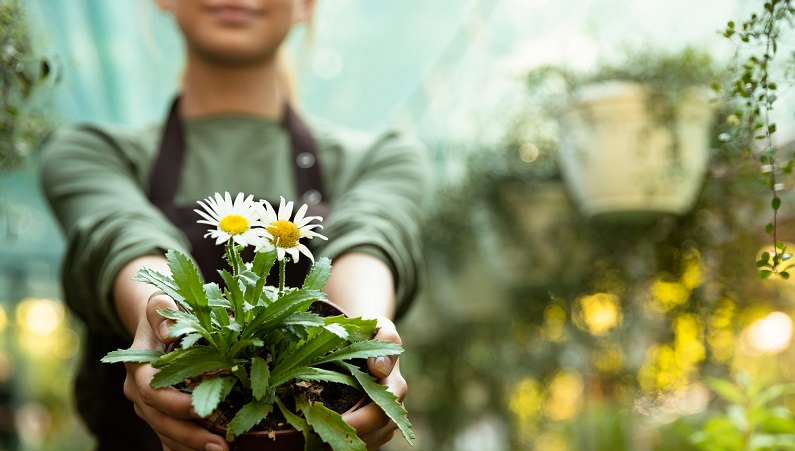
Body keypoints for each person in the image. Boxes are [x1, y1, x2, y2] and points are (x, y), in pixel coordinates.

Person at [39, 0, 429, 449]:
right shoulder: (90, 153)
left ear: (307, 6)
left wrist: (362, 340)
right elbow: (119, 237)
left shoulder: (384, 157)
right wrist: (167, 323)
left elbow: (369, 239)